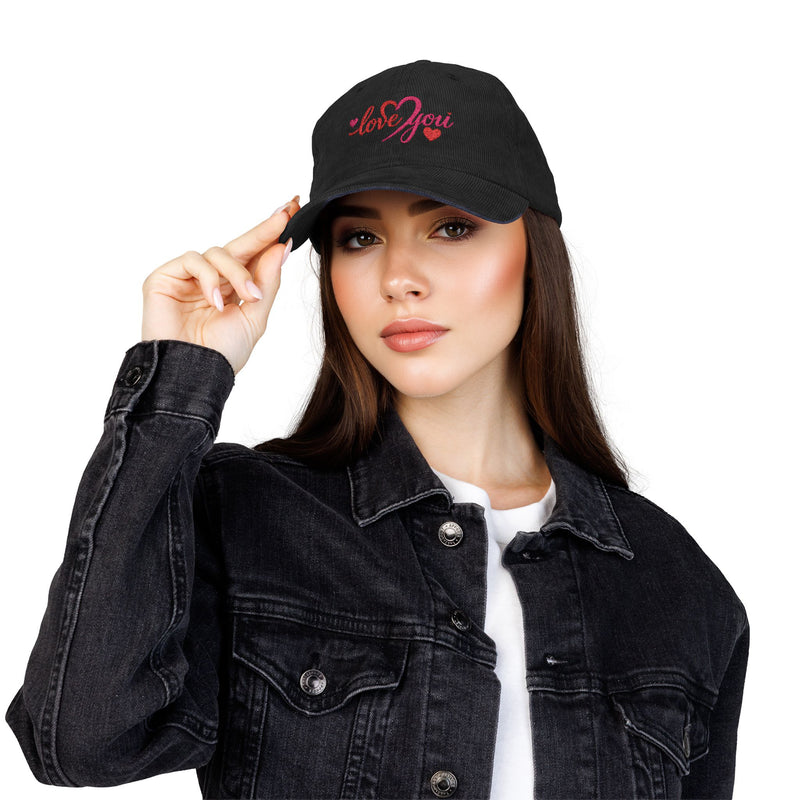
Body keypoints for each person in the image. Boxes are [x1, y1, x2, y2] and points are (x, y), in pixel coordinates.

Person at [6, 61, 747, 800]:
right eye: (360, 239)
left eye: (450, 227)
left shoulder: (675, 583)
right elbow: (83, 743)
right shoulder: (246, 515)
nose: (399, 277)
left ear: (533, 253)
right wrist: (181, 376)